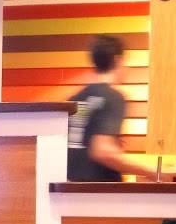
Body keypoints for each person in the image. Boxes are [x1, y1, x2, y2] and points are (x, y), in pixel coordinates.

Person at [67, 35, 164, 182]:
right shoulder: (112, 97)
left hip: (71, 187)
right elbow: (103, 151)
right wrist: (156, 172)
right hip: (100, 188)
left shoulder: (75, 98)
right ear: (118, 60)